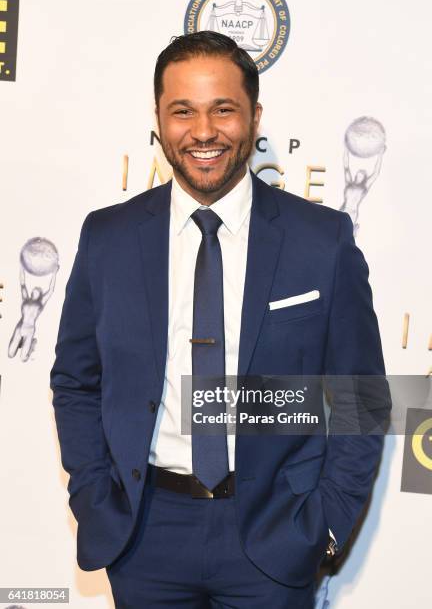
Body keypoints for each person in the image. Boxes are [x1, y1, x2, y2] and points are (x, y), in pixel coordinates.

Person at [50, 31, 390, 608]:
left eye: (222, 109)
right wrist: (92, 493)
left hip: (275, 535)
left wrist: (325, 523)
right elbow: (76, 381)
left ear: (255, 117)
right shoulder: (107, 237)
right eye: (182, 111)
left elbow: (362, 395)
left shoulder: (322, 242)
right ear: (158, 120)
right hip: (144, 537)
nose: (203, 132)